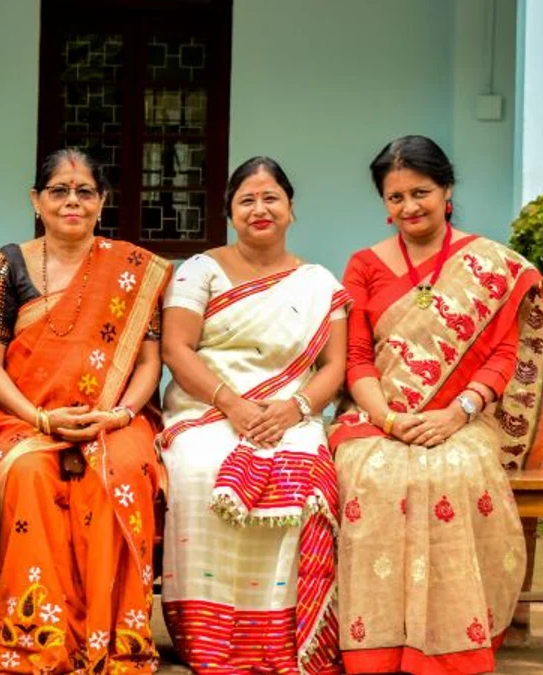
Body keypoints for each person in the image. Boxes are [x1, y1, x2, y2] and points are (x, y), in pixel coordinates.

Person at [331, 135, 543, 674]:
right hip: (378, 416)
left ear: (447, 190)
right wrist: (389, 418)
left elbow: (503, 355)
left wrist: (456, 413)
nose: (409, 207)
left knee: (453, 471)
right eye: (396, 197)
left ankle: (450, 642)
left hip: (462, 418)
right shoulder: (364, 265)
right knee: (372, 474)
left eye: (421, 192)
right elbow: (357, 359)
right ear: (384, 204)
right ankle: (377, 645)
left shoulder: (490, 265)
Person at [0, 148, 171, 674]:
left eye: (85, 191)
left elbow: (149, 363)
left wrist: (121, 414)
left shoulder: (131, 270)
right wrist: (40, 419)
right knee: (29, 474)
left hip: (115, 417)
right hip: (24, 418)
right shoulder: (7, 264)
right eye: (59, 190)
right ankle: (39, 641)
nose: (72, 201)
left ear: (102, 202)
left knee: (120, 471)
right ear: (36, 200)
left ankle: (113, 639)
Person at [157, 157, 348, 673]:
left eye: (271, 198)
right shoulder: (199, 271)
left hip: (290, 413)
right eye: (247, 200)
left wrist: (295, 408)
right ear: (229, 212)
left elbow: (335, 365)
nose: (260, 209)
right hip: (206, 410)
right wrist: (232, 405)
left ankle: (287, 637)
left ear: (290, 209)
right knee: (201, 469)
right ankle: (210, 636)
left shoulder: (318, 282)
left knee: (308, 476)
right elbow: (176, 349)